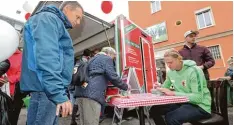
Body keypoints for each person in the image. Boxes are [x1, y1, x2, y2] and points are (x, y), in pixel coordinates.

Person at [20, 1, 84, 125]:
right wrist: (57, 92)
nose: (78, 22)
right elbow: (47, 57)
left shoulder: (50, 20)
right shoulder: (49, 19)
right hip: (47, 88)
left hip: (45, 87)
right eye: (77, 17)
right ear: (67, 9)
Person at [150, 49, 211, 125]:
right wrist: (159, 87)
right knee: (154, 110)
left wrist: (173, 93)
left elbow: (198, 98)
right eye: (166, 63)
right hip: (183, 103)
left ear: (179, 59)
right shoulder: (170, 72)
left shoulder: (194, 70)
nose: (168, 65)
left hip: (200, 106)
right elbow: (165, 87)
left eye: (170, 62)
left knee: (171, 117)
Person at [74, 47, 128, 125]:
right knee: (91, 122)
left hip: (81, 92)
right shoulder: (106, 58)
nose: (113, 59)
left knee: (84, 122)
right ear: (109, 54)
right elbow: (112, 76)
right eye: (114, 57)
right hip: (91, 94)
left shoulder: (92, 59)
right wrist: (125, 86)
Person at [70, 49, 91, 125]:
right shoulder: (85, 63)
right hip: (81, 85)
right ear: (88, 56)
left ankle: (73, 119)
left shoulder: (78, 62)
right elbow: (84, 76)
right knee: (81, 102)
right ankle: (79, 120)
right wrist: (85, 84)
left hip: (75, 84)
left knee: (75, 102)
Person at [6, 49, 27, 125]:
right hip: (2, 90)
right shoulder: (3, 53)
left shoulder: (21, 56)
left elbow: (22, 73)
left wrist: (8, 79)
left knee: (12, 117)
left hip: (16, 91)